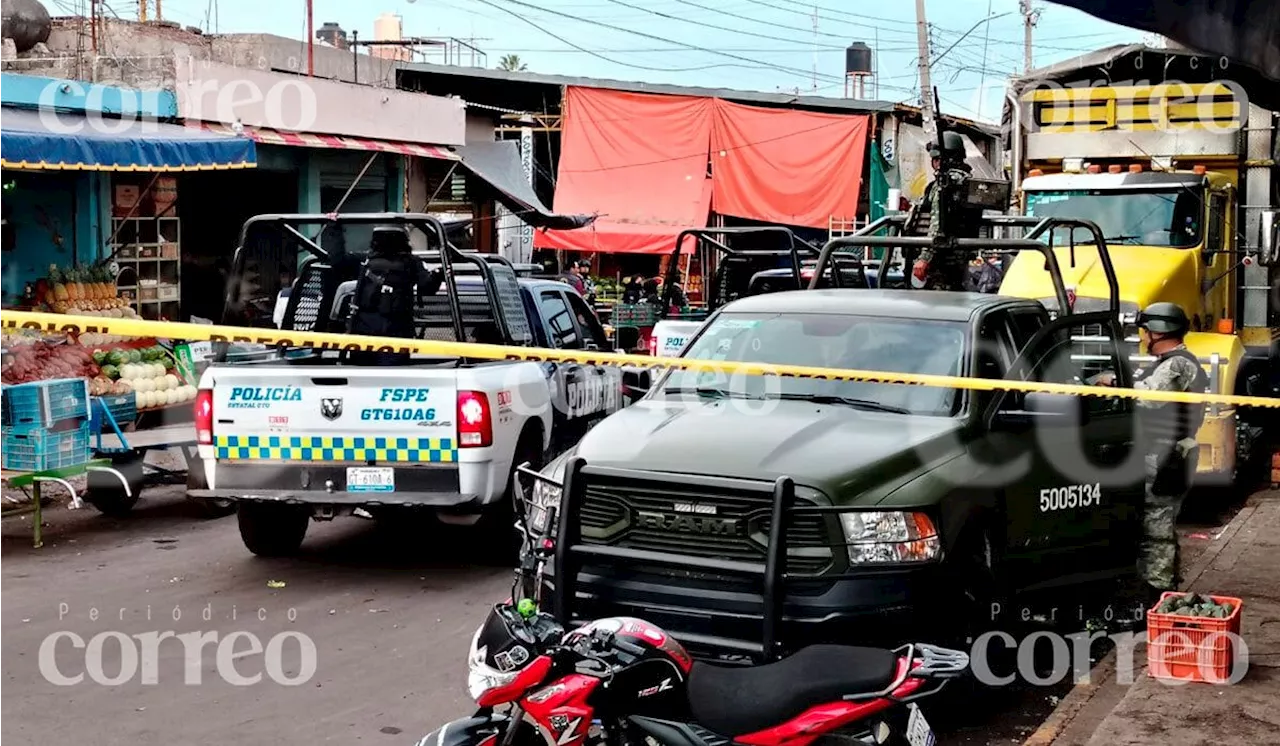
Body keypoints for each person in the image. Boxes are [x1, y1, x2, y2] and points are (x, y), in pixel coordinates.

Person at [1094, 302, 1208, 601]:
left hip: (1167, 456)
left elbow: (1149, 398)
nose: (1143, 337)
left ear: (1158, 332)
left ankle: (1158, 595)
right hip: (1162, 453)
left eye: (1145, 331)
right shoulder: (1169, 362)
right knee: (1154, 525)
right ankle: (1158, 586)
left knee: (1157, 529)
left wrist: (1114, 383)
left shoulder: (1178, 364)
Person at [346, 226, 442, 366]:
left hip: (363, 330)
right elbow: (428, 288)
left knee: (362, 375)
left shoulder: (364, 260)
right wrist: (438, 274)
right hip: (397, 331)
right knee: (394, 375)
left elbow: (336, 260)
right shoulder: (411, 262)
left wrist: (333, 229)